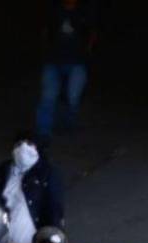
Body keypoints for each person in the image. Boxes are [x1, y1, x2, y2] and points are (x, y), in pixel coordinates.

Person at [0, 131, 64, 243]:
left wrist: (52, 242)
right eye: (19, 144)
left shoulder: (47, 173)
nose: (23, 147)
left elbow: (54, 210)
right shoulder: (5, 170)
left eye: (29, 143)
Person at [35, 0, 98, 140]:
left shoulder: (84, 12)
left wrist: (88, 51)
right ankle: (43, 133)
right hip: (53, 61)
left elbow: (92, 32)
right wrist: (45, 51)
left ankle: (66, 124)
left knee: (72, 97)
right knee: (48, 97)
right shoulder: (53, 10)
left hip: (77, 62)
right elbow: (45, 31)